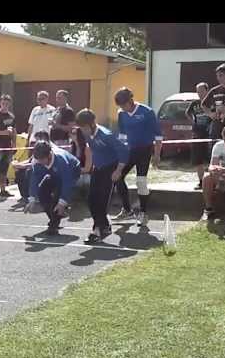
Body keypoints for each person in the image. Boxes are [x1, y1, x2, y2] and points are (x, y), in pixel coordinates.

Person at [74, 108, 129, 243]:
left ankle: (97, 230)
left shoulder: (106, 135)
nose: (83, 131)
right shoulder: (86, 134)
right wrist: (91, 165)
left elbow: (124, 151)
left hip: (110, 168)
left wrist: (118, 170)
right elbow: (91, 148)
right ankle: (104, 226)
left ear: (92, 124)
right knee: (91, 199)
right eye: (81, 128)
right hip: (98, 168)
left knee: (102, 201)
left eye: (85, 127)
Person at [112, 87, 163, 227]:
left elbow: (158, 135)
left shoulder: (147, 112)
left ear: (130, 101)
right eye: (120, 106)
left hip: (144, 150)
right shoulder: (121, 113)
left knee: (141, 181)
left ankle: (143, 213)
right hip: (129, 150)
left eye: (124, 105)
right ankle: (127, 210)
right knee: (117, 176)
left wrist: (157, 155)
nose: (122, 108)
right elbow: (122, 135)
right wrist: (120, 152)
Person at [23, 140, 82, 236]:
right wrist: (32, 199)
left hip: (72, 172)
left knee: (58, 198)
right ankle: (55, 216)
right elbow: (34, 180)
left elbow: (67, 183)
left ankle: (53, 225)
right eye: (38, 159)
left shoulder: (61, 160)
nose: (40, 162)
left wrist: (62, 202)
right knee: (42, 193)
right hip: (53, 174)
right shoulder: (37, 161)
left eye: (42, 159)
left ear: (49, 155)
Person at [12, 130, 53, 203]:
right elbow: (31, 160)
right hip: (35, 166)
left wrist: (20, 166)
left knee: (29, 171)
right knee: (18, 172)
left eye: (37, 139)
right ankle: (25, 196)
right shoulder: (38, 148)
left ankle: (32, 196)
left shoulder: (47, 149)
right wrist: (18, 164)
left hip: (45, 169)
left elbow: (35, 164)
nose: (35, 141)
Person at [186, 82, 213, 189]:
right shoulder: (195, 103)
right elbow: (187, 113)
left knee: (212, 158)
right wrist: (193, 121)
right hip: (197, 134)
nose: (199, 93)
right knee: (198, 160)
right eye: (198, 91)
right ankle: (201, 182)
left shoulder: (212, 102)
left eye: (201, 91)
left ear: (207, 91)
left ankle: (212, 182)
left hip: (210, 134)